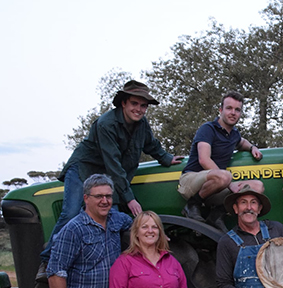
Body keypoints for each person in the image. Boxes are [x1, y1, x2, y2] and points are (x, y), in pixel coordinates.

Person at [38, 80, 184, 276]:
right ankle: (48, 260)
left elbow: (151, 144)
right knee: (71, 212)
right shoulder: (106, 124)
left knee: (111, 217)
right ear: (123, 103)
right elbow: (113, 163)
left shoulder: (141, 125)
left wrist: (167, 158)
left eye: (143, 106)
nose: (139, 109)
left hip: (110, 175)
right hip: (85, 168)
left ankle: (110, 269)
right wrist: (129, 198)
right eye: (134, 104)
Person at [178, 91, 264, 232]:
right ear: (220, 110)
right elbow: (204, 159)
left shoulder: (234, 134)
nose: (233, 113)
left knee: (257, 186)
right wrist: (230, 184)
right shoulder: (208, 129)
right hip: (192, 180)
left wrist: (252, 147)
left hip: (218, 184)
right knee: (225, 176)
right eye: (229, 108)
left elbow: (241, 142)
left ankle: (217, 215)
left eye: (237, 110)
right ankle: (192, 205)